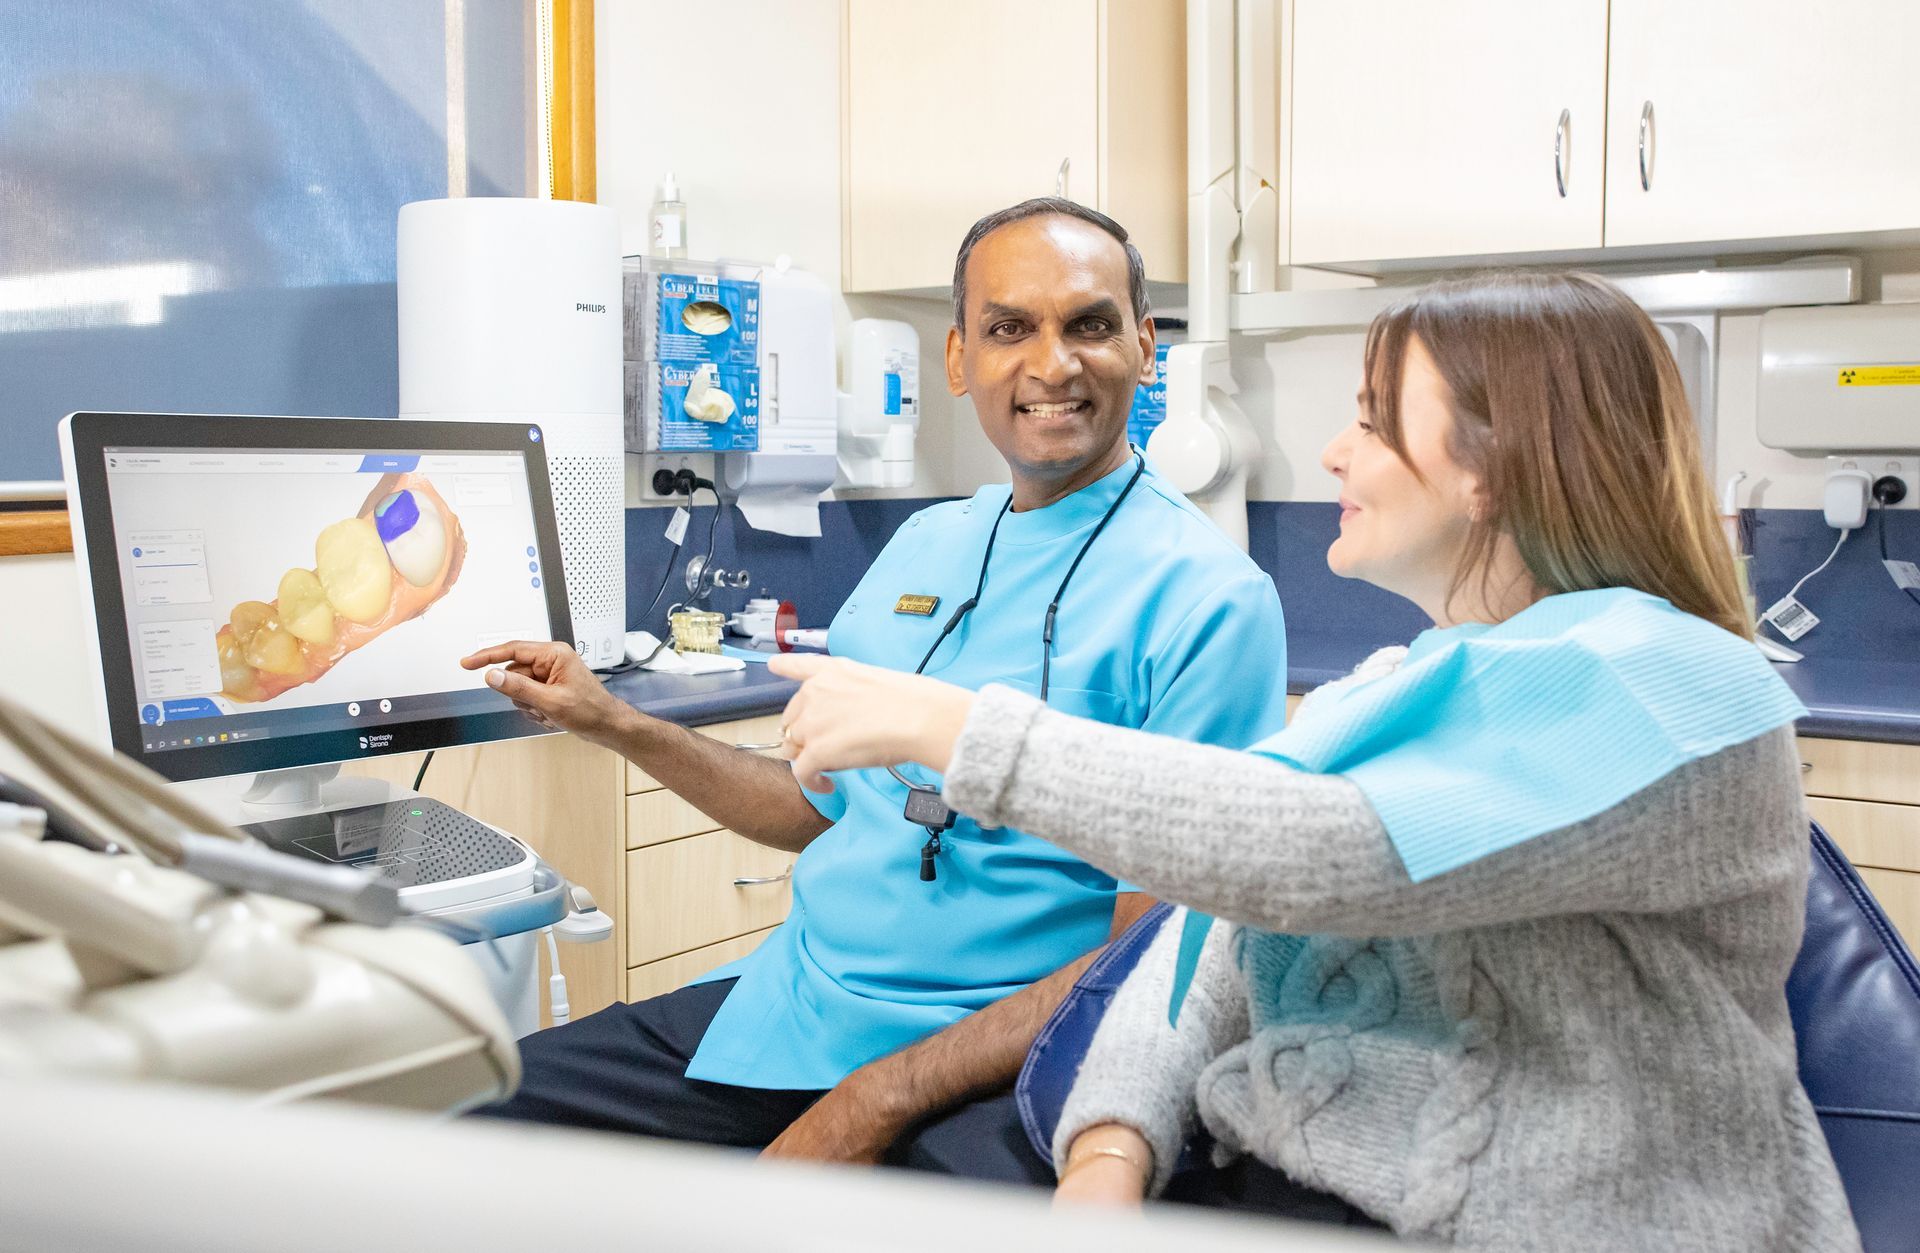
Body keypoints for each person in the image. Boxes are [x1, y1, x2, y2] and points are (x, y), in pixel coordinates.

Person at [767, 271, 1863, 1249]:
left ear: (1496, 466)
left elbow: (1315, 856)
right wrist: (1109, 1146)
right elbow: (1213, 934)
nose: (1335, 452)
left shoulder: (1668, 682)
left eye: (1374, 424)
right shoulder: (1403, 680)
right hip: (1295, 1163)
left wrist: (960, 730)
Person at [459, 197, 1292, 1180]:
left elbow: (1156, 957)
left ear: (1145, 345)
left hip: (1011, 1053)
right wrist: (617, 721)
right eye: (1010, 327)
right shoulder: (926, 543)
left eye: (1091, 324)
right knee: (477, 1124)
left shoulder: (1209, 598)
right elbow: (816, 805)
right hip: (796, 1007)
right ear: (958, 359)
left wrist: (878, 1095)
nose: (1054, 362)